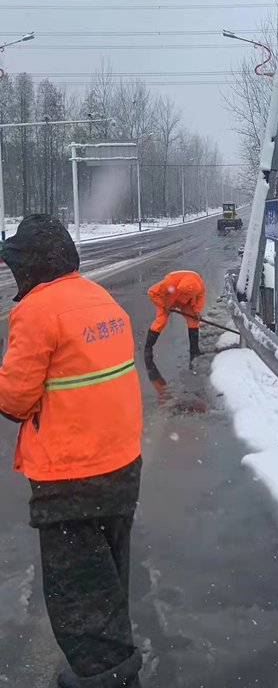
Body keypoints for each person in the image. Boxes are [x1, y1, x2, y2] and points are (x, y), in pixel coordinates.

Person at [0, 215, 143, 688]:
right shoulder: (98, 297)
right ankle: (114, 665)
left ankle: (107, 677)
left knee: (78, 594)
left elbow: (13, 401)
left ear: (32, 265)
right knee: (107, 578)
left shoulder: (37, 311)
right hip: (121, 465)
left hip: (70, 477)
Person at [144, 269, 205, 364]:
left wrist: (197, 310)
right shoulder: (169, 282)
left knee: (193, 320)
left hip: (186, 303)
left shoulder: (199, 284)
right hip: (168, 301)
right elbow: (151, 292)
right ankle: (148, 348)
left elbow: (201, 297)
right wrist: (163, 305)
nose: (187, 295)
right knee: (161, 322)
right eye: (186, 294)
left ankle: (194, 350)